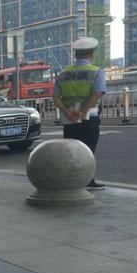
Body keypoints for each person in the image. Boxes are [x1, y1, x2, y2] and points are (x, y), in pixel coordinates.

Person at [53, 37, 106, 190]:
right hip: (89, 118)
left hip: (69, 120)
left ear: (76, 54)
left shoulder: (64, 73)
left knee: (71, 151)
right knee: (88, 151)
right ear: (91, 54)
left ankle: (70, 180)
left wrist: (68, 112)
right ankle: (88, 180)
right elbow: (96, 94)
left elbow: (56, 98)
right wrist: (81, 112)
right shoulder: (96, 72)